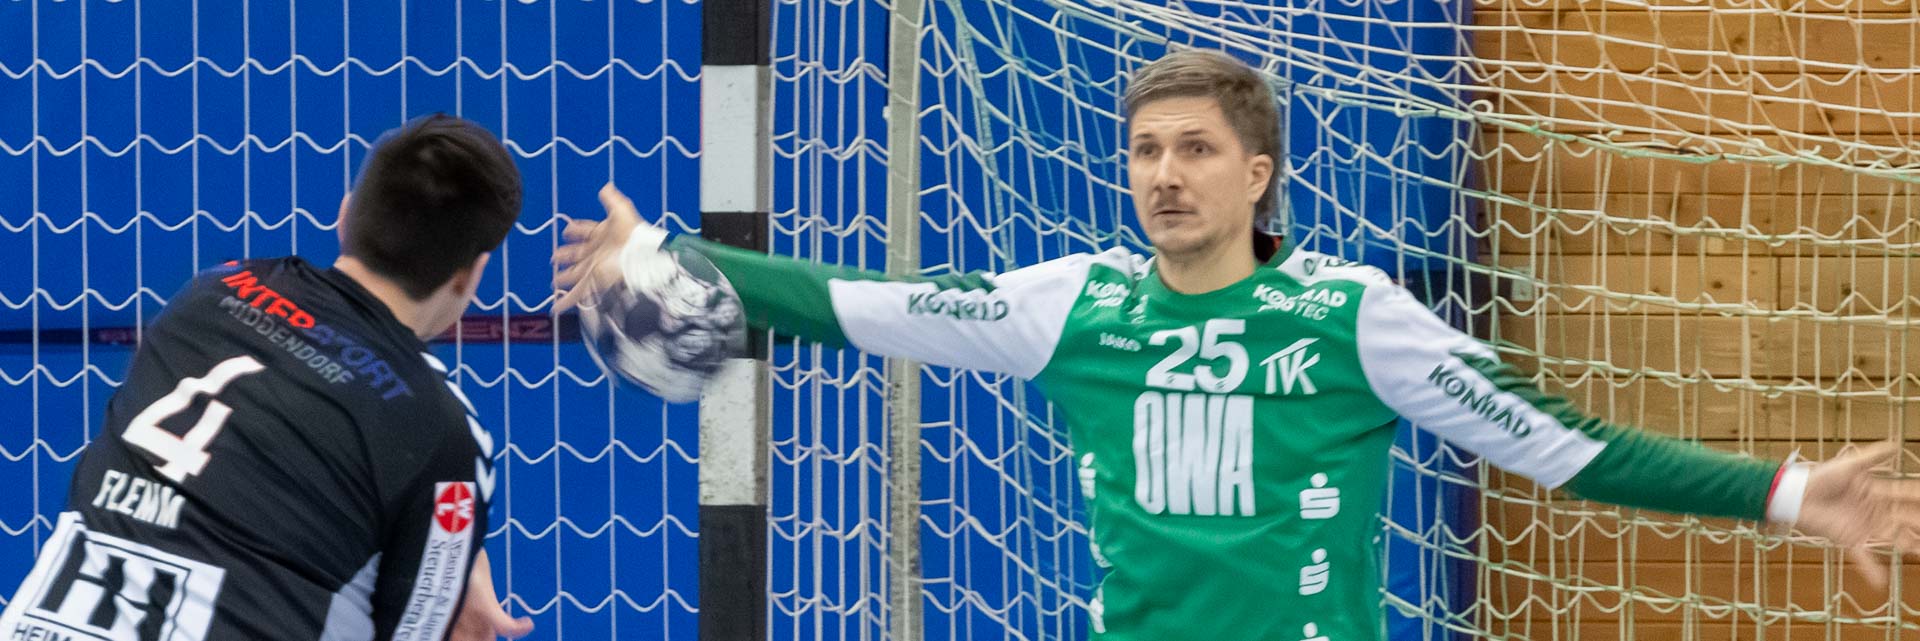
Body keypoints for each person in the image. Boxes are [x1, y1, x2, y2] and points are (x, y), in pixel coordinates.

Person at [554, 50, 1920, 640]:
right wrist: (679, 259)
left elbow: (1563, 447)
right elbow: (864, 298)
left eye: (1196, 150)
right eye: (1146, 149)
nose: (1165, 173)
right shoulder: (1074, 303)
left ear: (1258, 174)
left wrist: (1791, 491)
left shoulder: (1352, 314)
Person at [0, 115, 535, 641]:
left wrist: (440, 536)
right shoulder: (441, 432)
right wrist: (445, 552)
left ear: (344, 215)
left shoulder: (209, 293)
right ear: (469, 275)